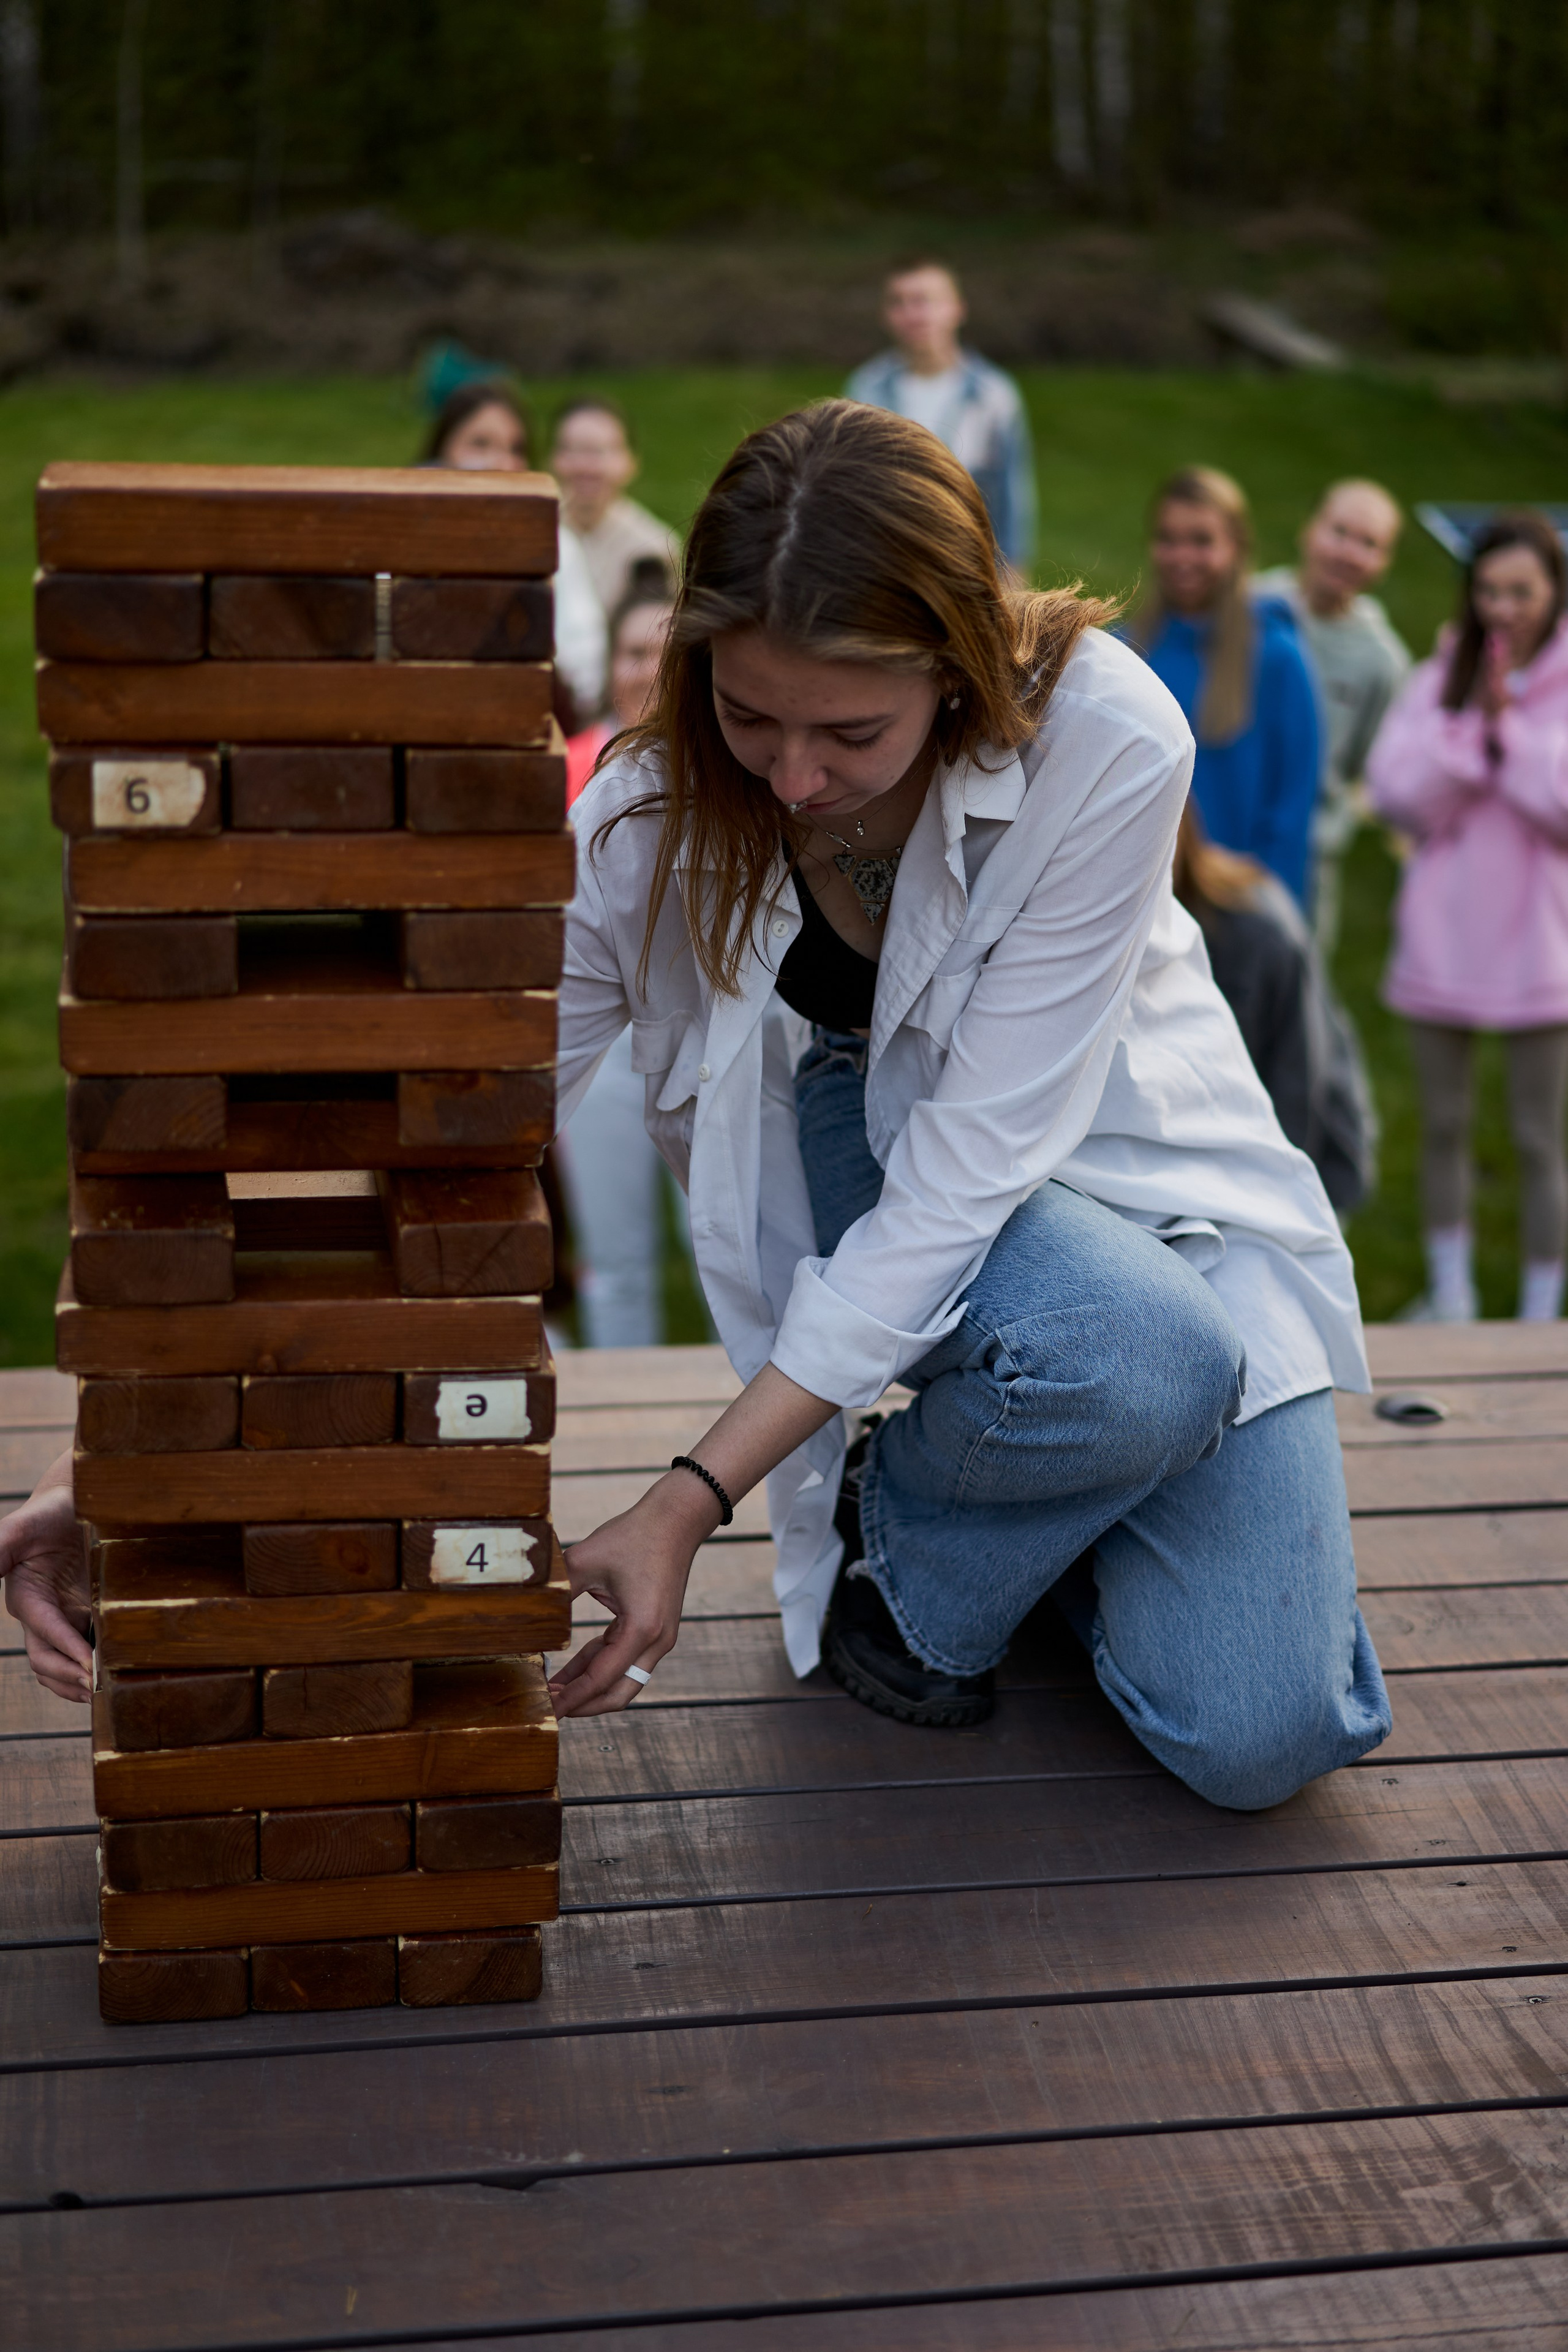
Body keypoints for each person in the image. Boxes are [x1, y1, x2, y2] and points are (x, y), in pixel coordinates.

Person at [1, 401, 1391, 1819]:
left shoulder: (1104, 732)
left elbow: (977, 1168)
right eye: (746, 715)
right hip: (882, 1138)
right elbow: (423, 1119)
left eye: (850, 730)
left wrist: (684, 1496)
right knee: (1141, 1357)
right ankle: (924, 1566)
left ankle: (978, 1507)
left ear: (960, 668)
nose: (789, 776)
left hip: (1129, 1162)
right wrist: (115, 1452)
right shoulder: (645, 818)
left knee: (1263, 1729)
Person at [1368, 509, 1568, 1324]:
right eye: (1488, 590)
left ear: (1555, 592)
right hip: (1443, 940)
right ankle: (1450, 1297)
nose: (1503, 609)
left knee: (1536, 1138)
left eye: (1521, 591)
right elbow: (1396, 795)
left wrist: (1506, 732)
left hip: (1542, 949)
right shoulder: (1435, 678)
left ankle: (1539, 1310)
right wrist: (1470, 740)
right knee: (1444, 1125)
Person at [557, 568, 702, 1346]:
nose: (645, 670)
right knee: (614, 1254)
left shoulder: (719, 771)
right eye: (630, 652)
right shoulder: (570, 765)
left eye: (664, 654)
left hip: (695, 1025)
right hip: (598, 1041)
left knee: (719, 1240)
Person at [1129, 466, 1322, 910]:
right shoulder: (1130, 651)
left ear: (1236, 547)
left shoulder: (1276, 657)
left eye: (1201, 541)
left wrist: (1270, 917)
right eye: (1167, 538)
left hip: (1235, 907)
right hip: (1141, 900)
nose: (1182, 557)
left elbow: (1291, 812)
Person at [1172, 803, 1376, 1217]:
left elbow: (1298, 1087)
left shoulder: (1257, 927)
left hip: (1303, 1164)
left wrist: (1273, 1210)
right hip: (1201, 1173)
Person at [1254, 481, 1412, 952]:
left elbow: (1369, 764)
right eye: (1339, 531)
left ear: (1385, 562)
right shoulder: (1248, 608)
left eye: (1369, 544)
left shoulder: (1382, 661)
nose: (1349, 553)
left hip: (1308, 853)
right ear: (1309, 531)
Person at [422, 380, 606, 728]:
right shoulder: (404, 538)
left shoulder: (558, 546)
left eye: (516, 448)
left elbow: (586, 672)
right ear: (440, 452)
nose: (502, 462)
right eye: (480, 443)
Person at [845, 260, 1035, 574]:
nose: (912, 314)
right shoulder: (867, 388)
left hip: (966, 570)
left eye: (924, 301)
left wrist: (1012, 586)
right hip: (885, 570)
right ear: (886, 315)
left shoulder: (993, 395)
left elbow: (1010, 499)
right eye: (898, 303)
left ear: (957, 309)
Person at [549, 398, 682, 620]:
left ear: (631, 463)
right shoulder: (534, 533)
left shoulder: (655, 548)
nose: (585, 466)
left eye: (600, 452)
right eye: (572, 450)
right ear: (553, 459)